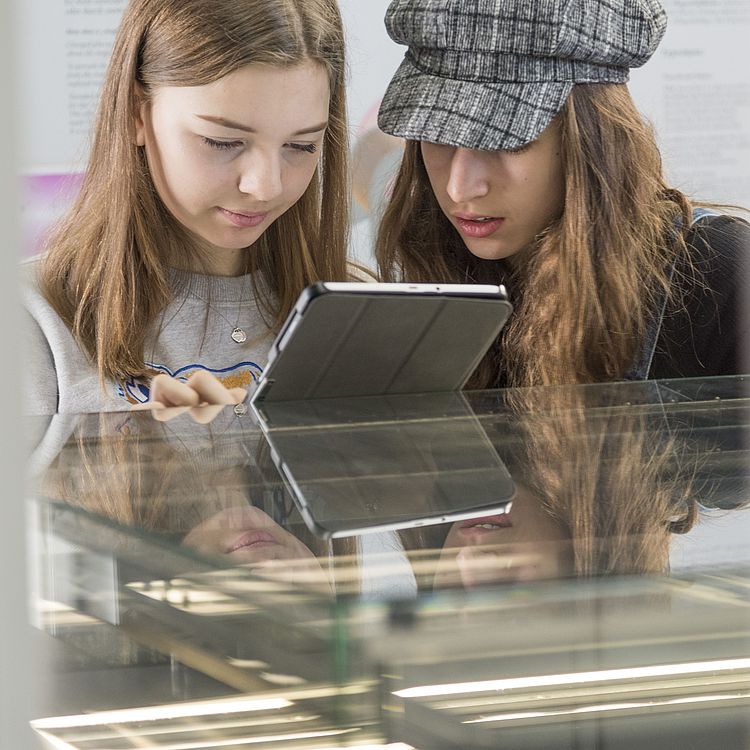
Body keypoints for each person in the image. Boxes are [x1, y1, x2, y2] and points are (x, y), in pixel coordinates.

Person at [376, 0, 750, 389]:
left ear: (593, 138)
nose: (459, 187)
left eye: (507, 141)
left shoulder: (723, 279)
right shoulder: (434, 275)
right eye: (436, 136)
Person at [23, 0, 354, 415]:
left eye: (301, 146)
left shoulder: (358, 309)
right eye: (222, 142)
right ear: (136, 115)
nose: (265, 187)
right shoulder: (31, 318)